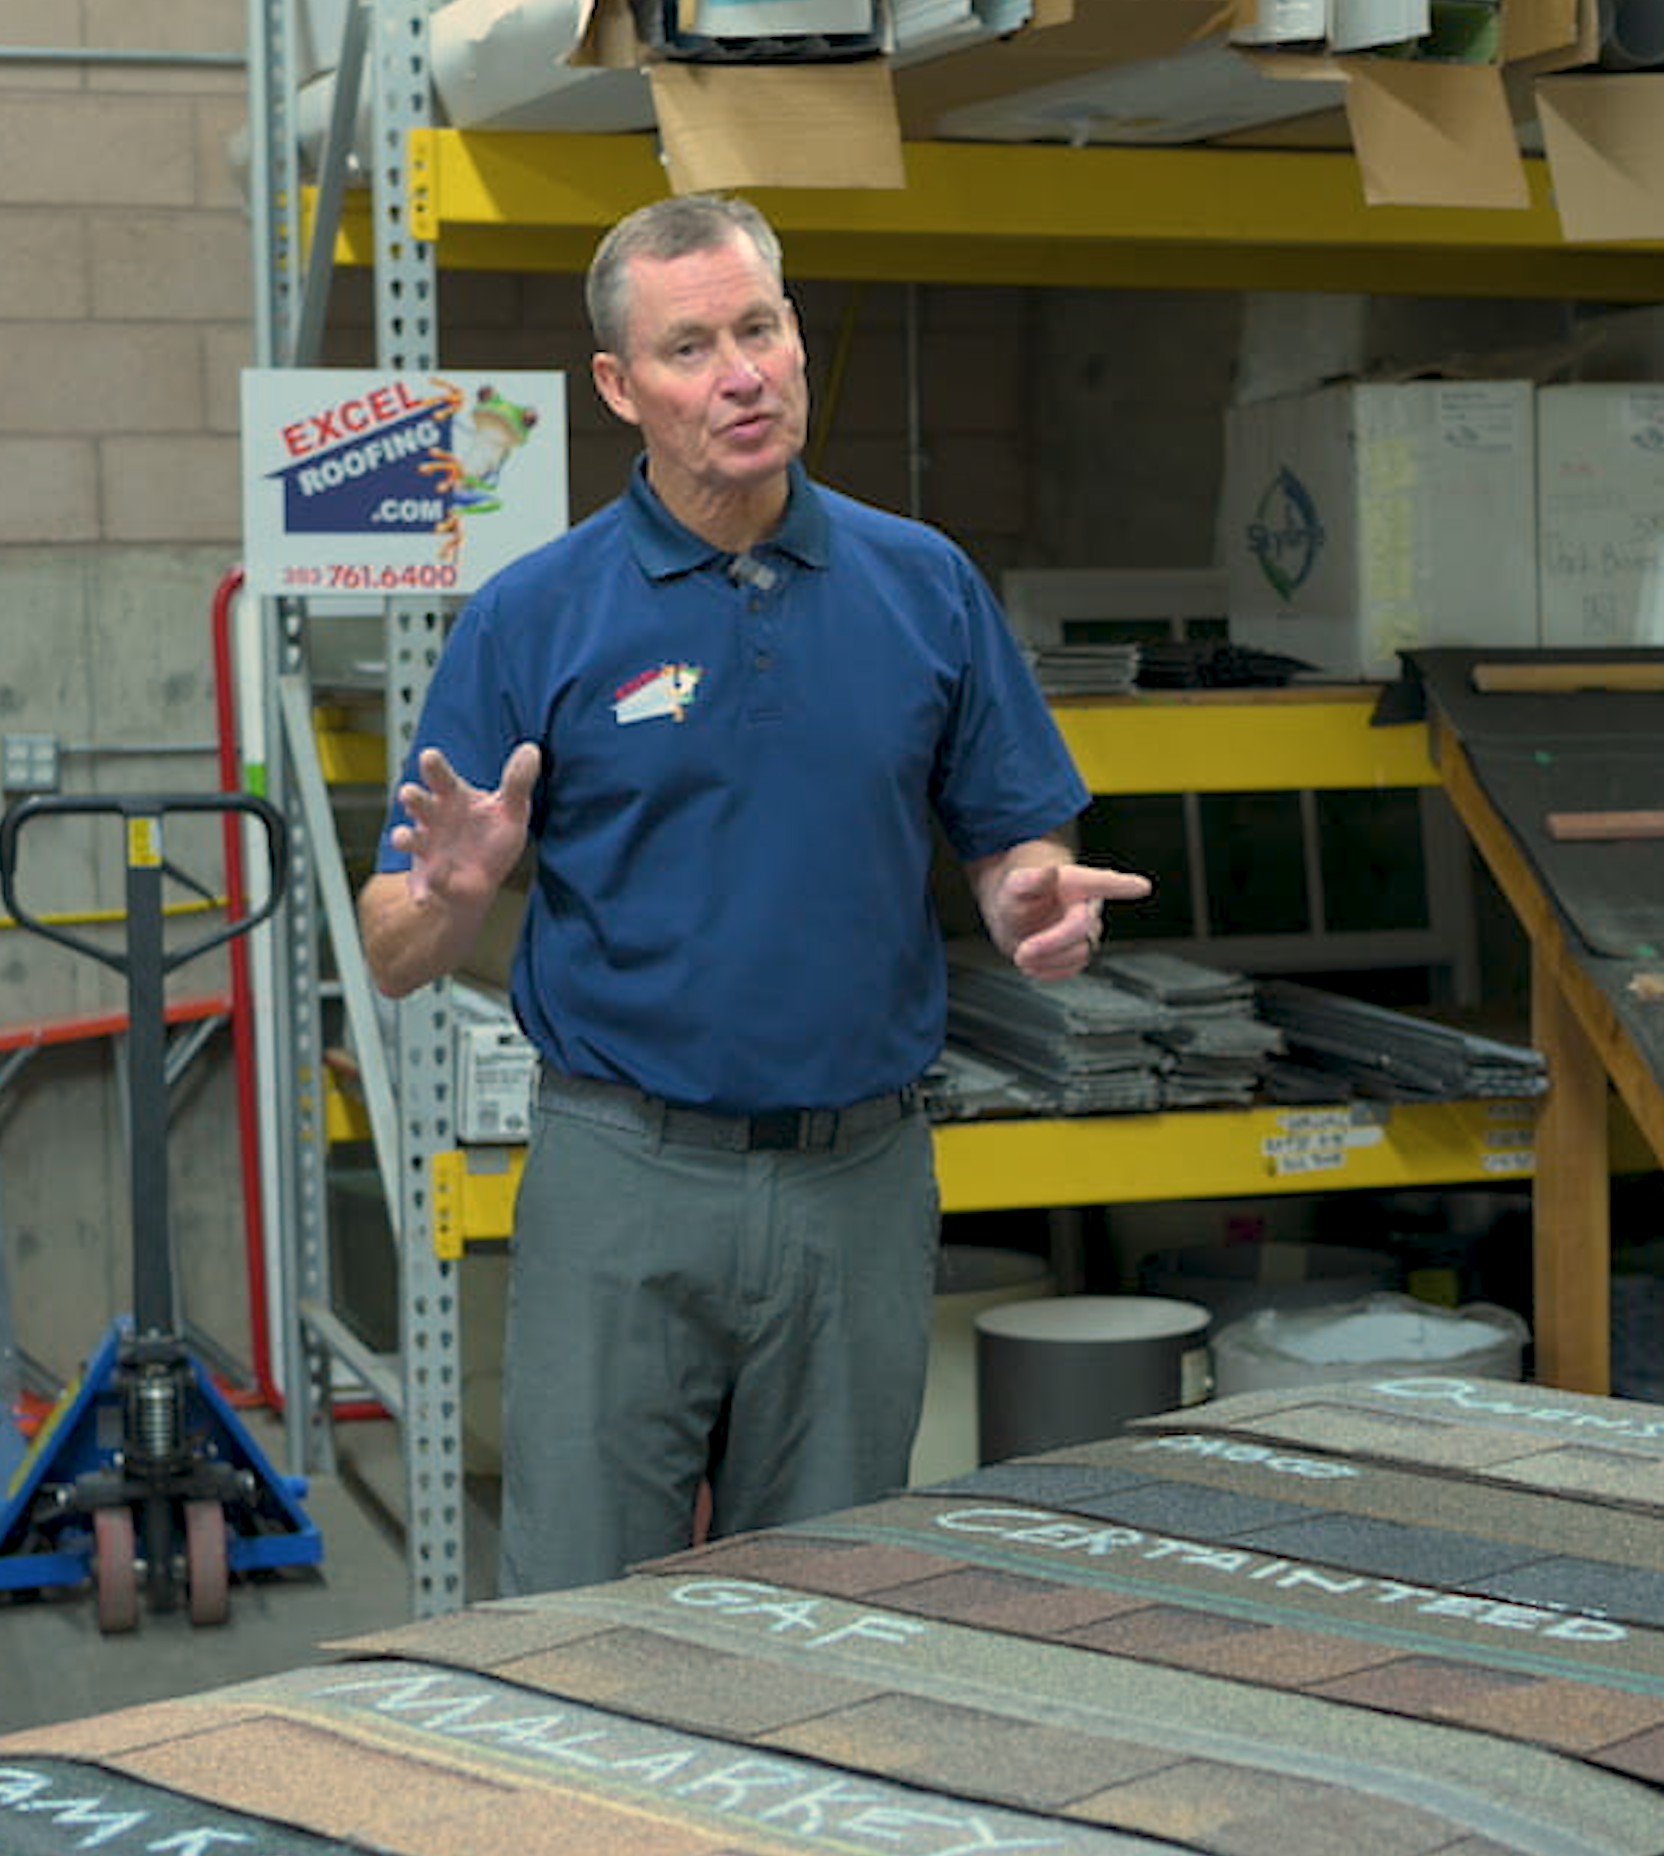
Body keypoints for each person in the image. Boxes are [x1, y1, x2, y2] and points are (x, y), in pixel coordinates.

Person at [357, 192, 1150, 1599]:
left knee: (830, 1609)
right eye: (690, 348)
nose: (741, 374)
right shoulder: (533, 616)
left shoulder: (926, 587)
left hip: (863, 1181)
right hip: (624, 1177)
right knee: (580, 1609)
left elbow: (1017, 842)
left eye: (761, 329)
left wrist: (1033, 907)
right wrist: (458, 893)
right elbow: (397, 950)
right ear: (619, 386)